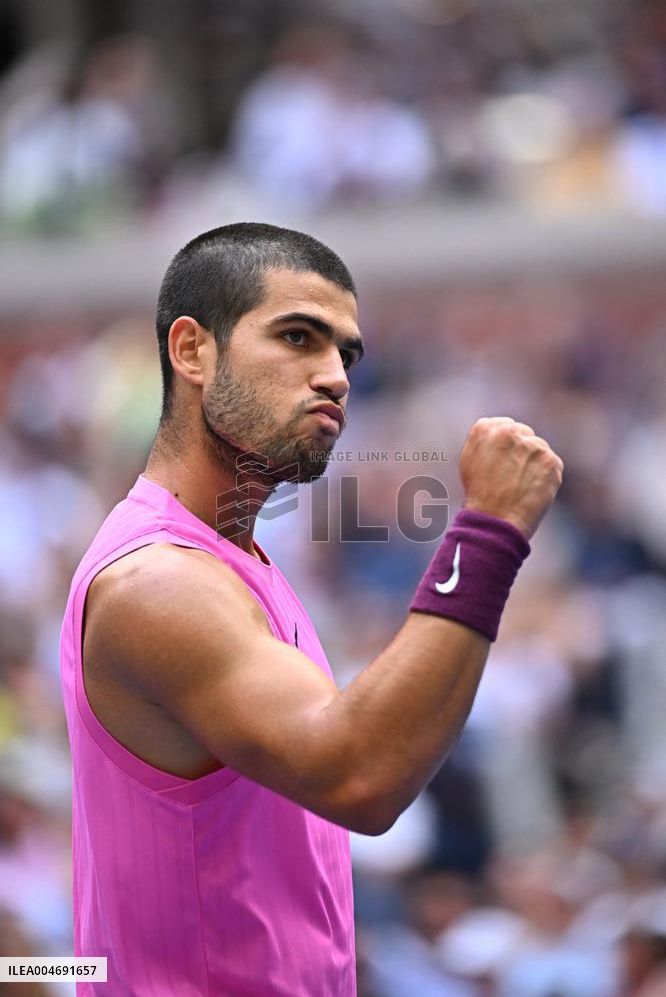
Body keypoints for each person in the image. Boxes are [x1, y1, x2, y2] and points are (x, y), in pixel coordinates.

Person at [59, 222, 563, 995]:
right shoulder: (159, 582)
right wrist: (489, 532)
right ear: (192, 350)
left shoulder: (237, 558)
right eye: (298, 337)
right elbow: (359, 774)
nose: (334, 375)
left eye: (346, 354)